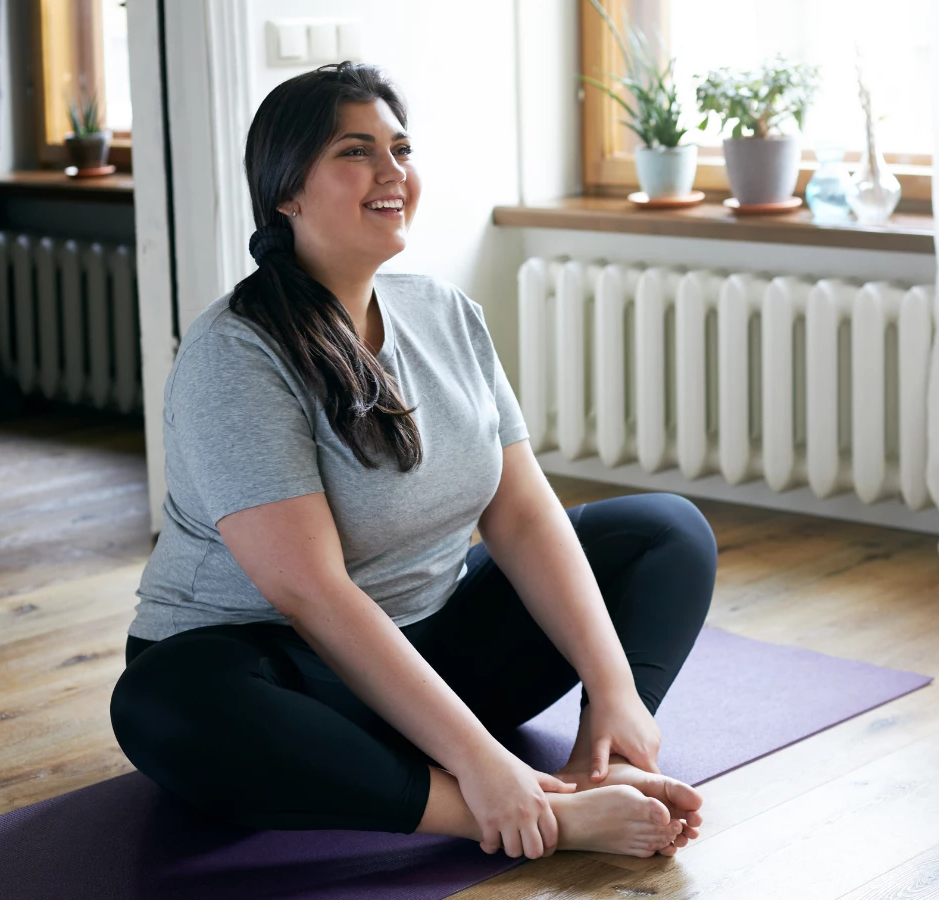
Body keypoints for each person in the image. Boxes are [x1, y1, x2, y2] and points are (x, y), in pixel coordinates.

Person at [109, 61, 717, 861]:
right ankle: (518, 813)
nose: (392, 171)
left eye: (400, 148)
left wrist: (616, 691)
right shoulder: (236, 355)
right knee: (163, 706)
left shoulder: (445, 312)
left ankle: (597, 765)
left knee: (665, 529)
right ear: (286, 191)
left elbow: (525, 513)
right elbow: (313, 596)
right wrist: (486, 769)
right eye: (356, 152)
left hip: (436, 648)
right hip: (291, 674)